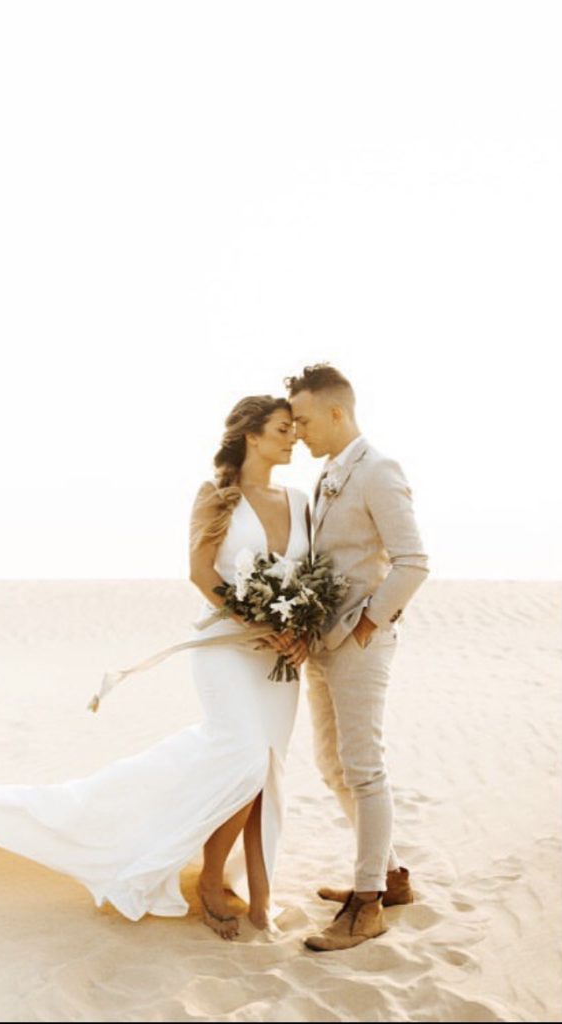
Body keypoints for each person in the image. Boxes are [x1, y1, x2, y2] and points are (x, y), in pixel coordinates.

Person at [0, 395, 311, 942]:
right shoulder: (216, 496)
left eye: (295, 429)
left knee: (266, 772)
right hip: (225, 649)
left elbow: (308, 579)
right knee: (245, 759)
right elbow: (200, 573)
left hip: (279, 661)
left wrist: (298, 630)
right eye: (282, 428)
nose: (293, 437)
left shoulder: (300, 501)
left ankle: (260, 894)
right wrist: (255, 620)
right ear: (252, 434)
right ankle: (206, 881)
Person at [284, 363, 429, 951]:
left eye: (303, 420)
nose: (297, 432)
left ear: (337, 412)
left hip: (361, 644)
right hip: (324, 644)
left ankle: (367, 904)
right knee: (331, 765)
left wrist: (367, 625)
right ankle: (390, 877)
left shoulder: (378, 470)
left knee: (364, 767)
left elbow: (413, 562)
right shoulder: (326, 475)